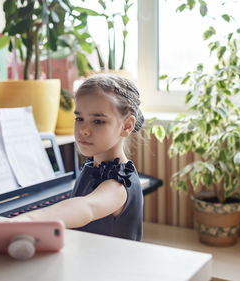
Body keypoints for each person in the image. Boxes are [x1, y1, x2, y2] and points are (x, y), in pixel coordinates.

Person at [14, 73, 144, 241]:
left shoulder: (118, 186)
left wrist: (28, 220)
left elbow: (86, 208)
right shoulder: (93, 167)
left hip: (110, 266)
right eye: (79, 118)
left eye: (97, 121)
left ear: (127, 126)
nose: (84, 130)